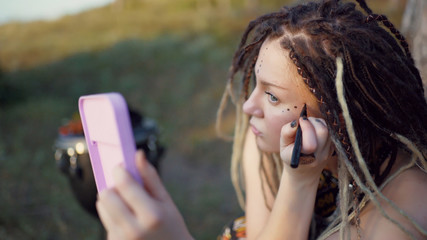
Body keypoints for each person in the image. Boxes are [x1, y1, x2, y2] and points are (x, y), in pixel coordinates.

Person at [95, 0, 427, 239]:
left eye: (272, 96)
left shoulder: (400, 213)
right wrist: (299, 180)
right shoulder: (268, 148)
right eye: (257, 84)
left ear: (340, 118)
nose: (248, 107)